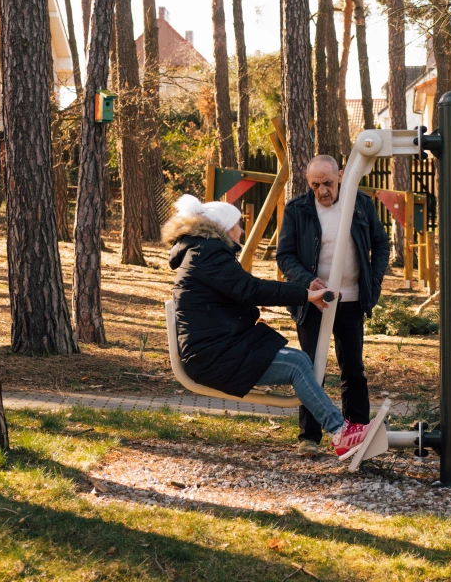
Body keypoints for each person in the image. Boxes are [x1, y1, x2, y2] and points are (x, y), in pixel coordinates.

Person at [164, 194, 373, 457]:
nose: (242, 229)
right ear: (225, 228)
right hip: (212, 357)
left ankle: (340, 428)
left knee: (299, 360)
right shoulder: (207, 254)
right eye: (239, 224)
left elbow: (243, 291)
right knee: (298, 364)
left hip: (218, 349)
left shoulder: (203, 253)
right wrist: (305, 294)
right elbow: (251, 290)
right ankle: (340, 432)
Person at [277, 155, 391, 456]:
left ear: (340, 176)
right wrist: (307, 280)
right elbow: (285, 255)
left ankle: (358, 432)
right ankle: (309, 437)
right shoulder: (297, 209)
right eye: (315, 184)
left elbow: (381, 243)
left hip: (351, 299)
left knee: (353, 368)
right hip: (313, 302)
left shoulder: (360, 203)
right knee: (310, 369)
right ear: (307, 180)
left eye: (327, 183)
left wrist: (374, 281)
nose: (322, 191)